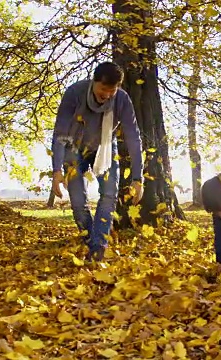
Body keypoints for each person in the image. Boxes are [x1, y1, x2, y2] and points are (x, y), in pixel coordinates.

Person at [51, 62, 144, 262]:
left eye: (112, 90)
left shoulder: (121, 100)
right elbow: (60, 133)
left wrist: (138, 177)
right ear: (94, 82)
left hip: (105, 146)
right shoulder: (75, 93)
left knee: (109, 194)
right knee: (77, 201)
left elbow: (133, 137)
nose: (107, 94)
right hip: (74, 147)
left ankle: (98, 247)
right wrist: (57, 170)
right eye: (103, 89)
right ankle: (89, 239)